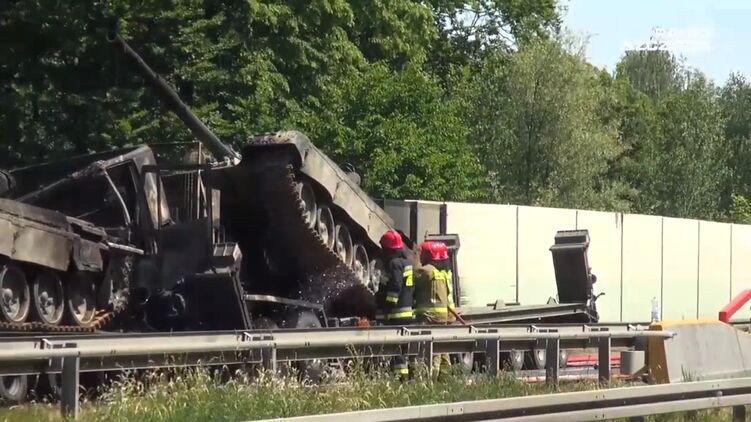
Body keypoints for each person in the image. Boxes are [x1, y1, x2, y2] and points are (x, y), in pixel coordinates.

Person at [414, 241, 454, 378]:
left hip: (430, 316)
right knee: (443, 350)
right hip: (444, 316)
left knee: (432, 352)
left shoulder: (426, 271)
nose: (420, 256)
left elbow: (409, 277)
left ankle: (431, 380)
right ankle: (445, 379)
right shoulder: (444, 273)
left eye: (422, 254)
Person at [378, 230, 415, 378]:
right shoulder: (407, 263)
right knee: (404, 349)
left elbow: (395, 288)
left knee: (396, 349)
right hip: (407, 312)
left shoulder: (394, 264)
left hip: (396, 313)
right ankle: (408, 376)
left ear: (388, 250)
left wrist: (387, 308)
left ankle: (400, 378)